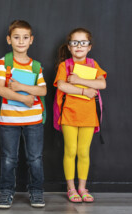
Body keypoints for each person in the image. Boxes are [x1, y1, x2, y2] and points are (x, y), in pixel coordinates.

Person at [0, 20, 47, 209]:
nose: (21, 41)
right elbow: (0, 90)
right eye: (16, 37)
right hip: (9, 120)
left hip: (34, 120)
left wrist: (20, 87)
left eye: (25, 38)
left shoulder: (36, 66)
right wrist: (23, 97)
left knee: (35, 158)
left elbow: (43, 91)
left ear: (31, 40)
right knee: (9, 158)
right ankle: (6, 192)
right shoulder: (4, 62)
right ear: (9, 40)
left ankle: (36, 191)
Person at [53, 28, 107, 203]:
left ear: (89, 47)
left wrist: (78, 80)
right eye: (74, 43)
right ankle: (71, 188)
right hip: (69, 114)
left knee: (84, 152)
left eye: (83, 43)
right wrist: (85, 89)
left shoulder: (93, 64)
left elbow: (102, 84)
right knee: (70, 151)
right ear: (69, 47)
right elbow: (62, 86)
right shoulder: (64, 65)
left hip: (89, 115)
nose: (78, 46)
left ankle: (82, 187)